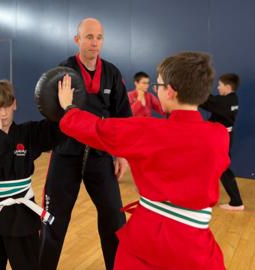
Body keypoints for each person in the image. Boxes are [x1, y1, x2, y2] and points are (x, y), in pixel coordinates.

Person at [57, 52, 229, 269]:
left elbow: (98, 130)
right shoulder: (219, 135)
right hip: (198, 248)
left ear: (171, 91)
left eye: (158, 85)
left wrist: (69, 109)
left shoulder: (149, 131)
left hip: (148, 242)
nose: (155, 90)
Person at [39, 18, 132, 270]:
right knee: (53, 220)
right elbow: (50, 112)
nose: (94, 42)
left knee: (115, 217)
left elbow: (123, 117)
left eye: (99, 37)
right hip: (66, 154)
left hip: (100, 157)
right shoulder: (63, 72)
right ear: (77, 39)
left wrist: (120, 154)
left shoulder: (112, 73)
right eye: (89, 37)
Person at [0, 80, 60, 270]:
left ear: (15, 104)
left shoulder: (28, 134)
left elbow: (57, 130)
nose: (2, 114)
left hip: (22, 219)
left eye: (7, 107)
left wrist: (62, 105)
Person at [200, 73, 244, 211]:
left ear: (227, 87)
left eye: (219, 85)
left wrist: (192, 88)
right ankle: (203, 195)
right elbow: (213, 102)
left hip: (221, 138)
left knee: (223, 169)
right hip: (223, 136)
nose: (218, 88)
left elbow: (206, 101)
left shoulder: (226, 102)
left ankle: (236, 202)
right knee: (210, 166)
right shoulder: (233, 100)